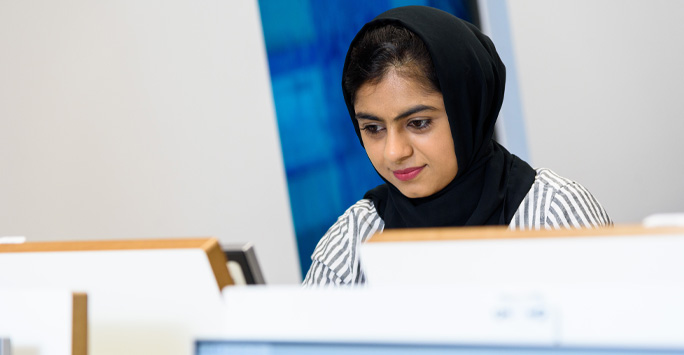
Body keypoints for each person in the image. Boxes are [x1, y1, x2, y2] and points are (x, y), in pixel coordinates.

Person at [303, 6, 611, 286]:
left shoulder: (553, 215)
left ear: (468, 111)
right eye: (373, 128)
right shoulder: (354, 240)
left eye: (418, 123)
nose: (394, 152)